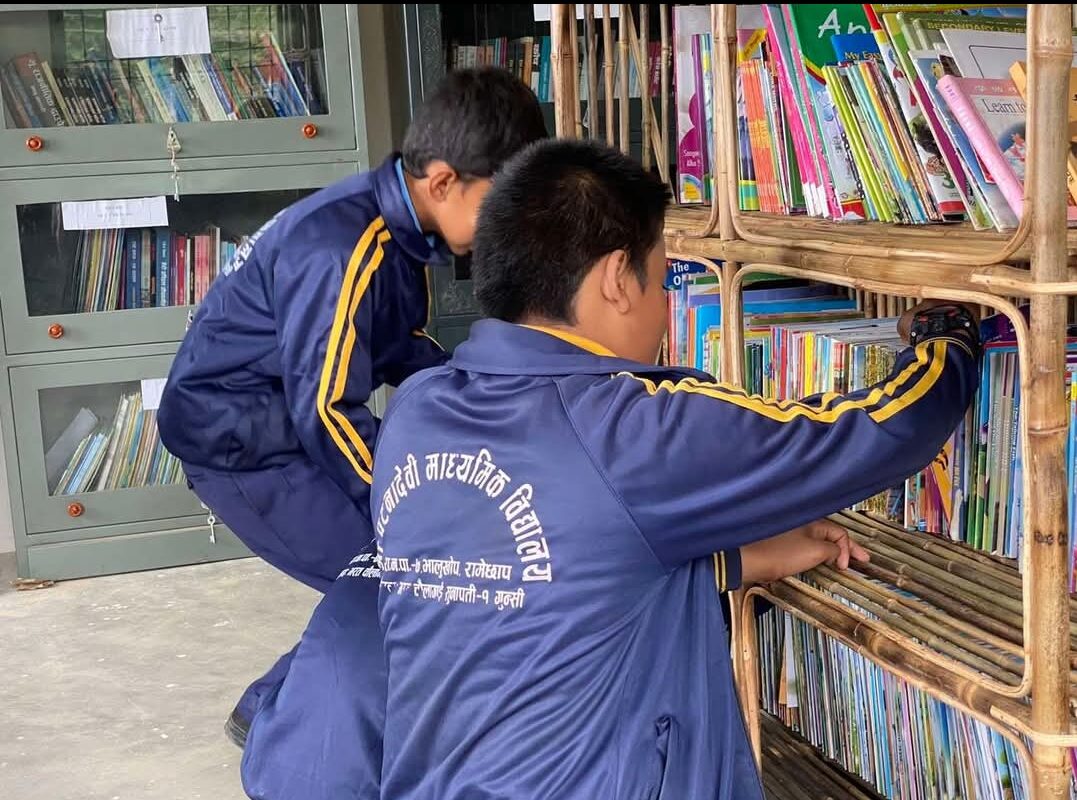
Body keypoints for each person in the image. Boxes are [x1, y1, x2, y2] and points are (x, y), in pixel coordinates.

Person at [367, 139, 981, 798]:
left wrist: (730, 562)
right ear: (615, 278)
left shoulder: (417, 410)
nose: (664, 307)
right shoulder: (631, 431)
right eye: (662, 282)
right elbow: (882, 431)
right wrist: (947, 335)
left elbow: (534, 577)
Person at [155, 67, 547, 758]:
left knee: (408, 565)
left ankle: (289, 704)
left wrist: (481, 396)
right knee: (403, 567)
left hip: (282, 424)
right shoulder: (344, 247)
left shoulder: (401, 233)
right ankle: (271, 713)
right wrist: (405, 501)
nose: (508, 229)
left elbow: (399, 348)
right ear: (444, 182)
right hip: (242, 445)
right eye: (502, 207)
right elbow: (326, 408)